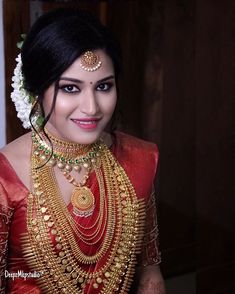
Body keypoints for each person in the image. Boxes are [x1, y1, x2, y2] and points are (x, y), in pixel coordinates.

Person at [0, 8, 165, 294]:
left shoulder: (138, 159)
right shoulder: (4, 177)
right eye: (70, 88)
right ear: (37, 91)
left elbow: (150, 267)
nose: (91, 108)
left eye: (103, 86)